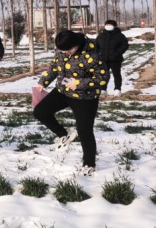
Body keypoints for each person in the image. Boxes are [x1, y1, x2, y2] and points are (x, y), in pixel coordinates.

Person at [33, 29, 109, 175]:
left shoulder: (92, 54)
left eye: (69, 50)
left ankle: (89, 164)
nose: (66, 53)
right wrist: (44, 81)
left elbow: (103, 78)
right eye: (62, 51)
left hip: (85, 97)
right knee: (40, 112)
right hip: (63, 91)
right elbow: (54, 66)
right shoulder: (63, 50)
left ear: (76, 44)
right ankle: (64, 134)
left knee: (84, 132)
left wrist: (79, 83)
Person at [95, 19, 129, 96]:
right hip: (103, 59)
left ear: (114, 26)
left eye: (110, 25)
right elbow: (96, 46)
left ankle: (117, 89)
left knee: (116, 74)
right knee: (103, 75)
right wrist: (98, 55)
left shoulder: (120, 36)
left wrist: (117, 53)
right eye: (107, 25)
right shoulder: (101, 36)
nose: (108, 26)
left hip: (115, 59)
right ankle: (103, 89)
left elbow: (125, 45)